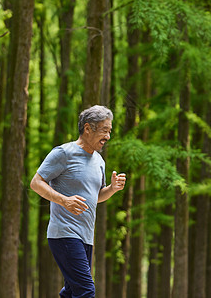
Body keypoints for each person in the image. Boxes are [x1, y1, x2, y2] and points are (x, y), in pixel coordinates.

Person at [30, 105, 126, 297]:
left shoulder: (99, 161)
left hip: (86, 236)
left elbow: (95, 196)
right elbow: (36, 183)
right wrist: (64, 201)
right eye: (104, 130)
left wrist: (112, 189)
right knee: (85, 290)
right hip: (64, 233)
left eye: (110, 131)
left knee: (72, 291)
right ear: (88, 128)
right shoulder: (64, 153)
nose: (108, 136)